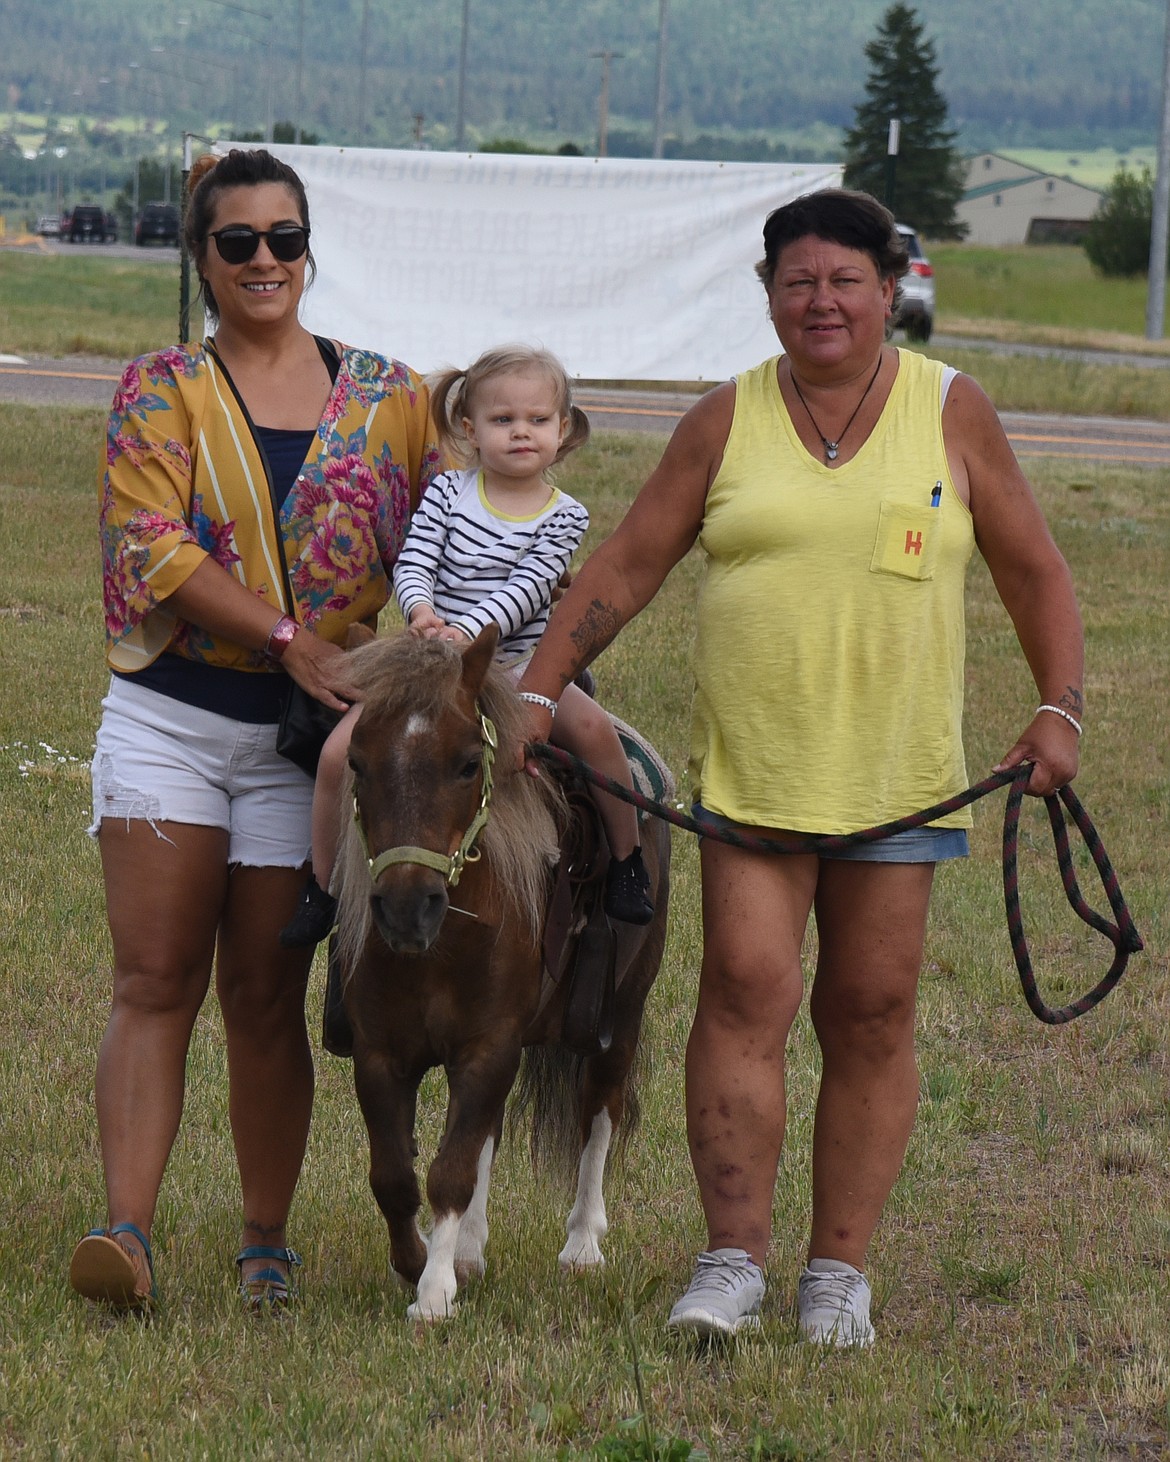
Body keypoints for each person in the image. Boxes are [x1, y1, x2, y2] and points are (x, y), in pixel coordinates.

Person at [517, 189, 1084, 1346]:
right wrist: (535, 689)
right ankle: (730, 1264)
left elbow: (1035, 569)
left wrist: (1057, 709)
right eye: (796, 282)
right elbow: (627, 564)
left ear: (892, 288)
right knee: (743, 994)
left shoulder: (953, 411)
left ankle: (840, 1276)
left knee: (872, 1013)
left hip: (901, 782)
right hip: (755, 782)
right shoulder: (727, 419)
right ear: (768, 292)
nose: (821, 301)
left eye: (845, 281)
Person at [69, 147, 441, 1313]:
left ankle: (264, 1242)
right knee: (154, 976)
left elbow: (441, 538)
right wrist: (296, 641)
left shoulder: (393, 396)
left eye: (285, 238)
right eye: (239, 243)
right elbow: (154, 549)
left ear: (309, 246)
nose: (265, 260)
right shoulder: (158, 387)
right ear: (203, 258)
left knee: (266, 995)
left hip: (308, 750)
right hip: (171, 720)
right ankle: (124, 1232)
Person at [279, 344, 654, 949]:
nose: (520, 433)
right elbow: (416, 557)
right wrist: (421, 609)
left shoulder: (565, 516)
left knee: (595, 734)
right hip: (431, 661)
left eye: (537, 420)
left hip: (522, 665)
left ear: (564, 429)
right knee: (335, 756)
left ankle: (628, 860)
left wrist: (470, 632)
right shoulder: (449, 492)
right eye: (502, 420)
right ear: (469, 429)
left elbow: (530, 589)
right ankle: (322, 888)